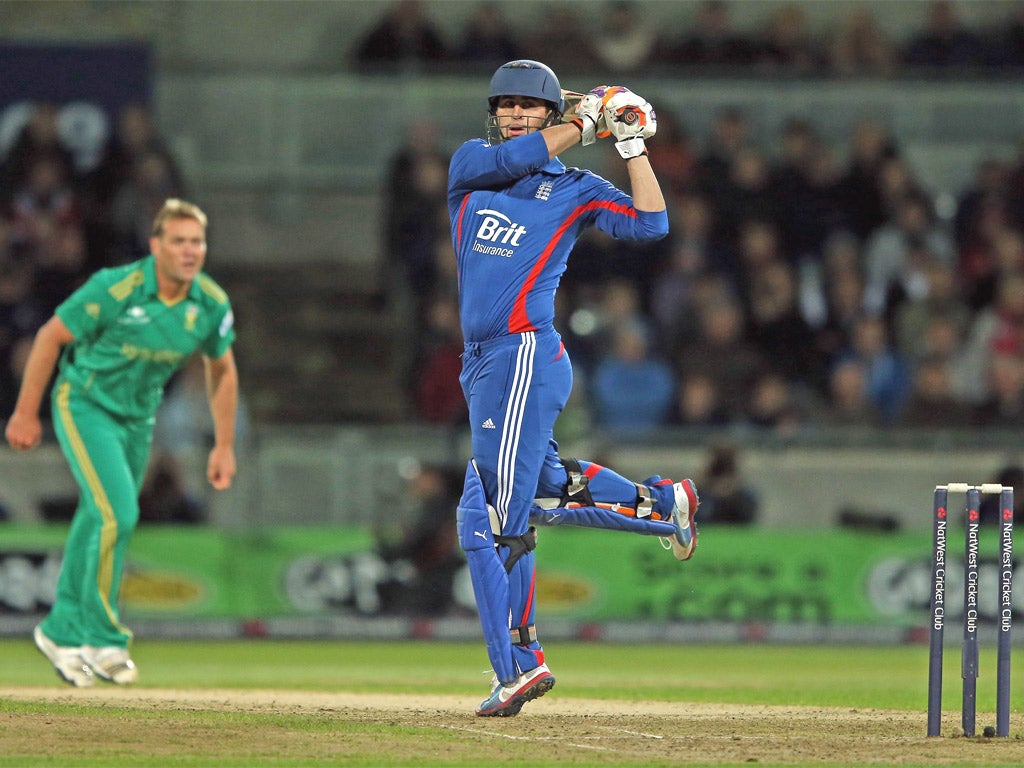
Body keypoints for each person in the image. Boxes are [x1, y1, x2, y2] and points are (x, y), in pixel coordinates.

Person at [447, 59, 698, 718]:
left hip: (524, 353)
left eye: (529, 107)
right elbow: (521, 156)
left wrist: (631, 144)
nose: (515, 115)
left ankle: (516, 669)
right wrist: (580, 122)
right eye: (506, 106)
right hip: (481, 361)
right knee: (540, 493)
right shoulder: (472, 165)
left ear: (551, 112)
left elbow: (650, 224)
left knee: (488, 515)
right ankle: (663, 503)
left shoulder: (577, 188)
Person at [4, 198, 239, 687]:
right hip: (85, 405)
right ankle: (103, 637)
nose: (189, 250)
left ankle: (60, 630)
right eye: (178, 240)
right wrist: (26, 413)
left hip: (137, 419)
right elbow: (50, 337)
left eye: (197, 241)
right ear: (156, 246)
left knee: (99, 516)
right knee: (118, 513)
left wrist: (223, 444)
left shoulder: (209, 303)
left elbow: (222, 370)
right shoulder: (116, 287)